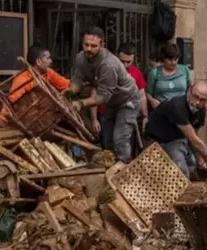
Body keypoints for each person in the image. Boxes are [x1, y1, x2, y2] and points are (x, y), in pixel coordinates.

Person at [63, 26, 141, 164]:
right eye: (86, 44)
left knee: (120, 140)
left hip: (127, 100)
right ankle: (111, 169)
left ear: (102, 45)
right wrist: (69, 91)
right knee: (107, 140)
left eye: (93, 46)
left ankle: (123, 172)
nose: (89, 48)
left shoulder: (108, 64)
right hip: (111, 102)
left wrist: (80, 103)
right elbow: (77, 81)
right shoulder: (81, 58)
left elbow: (102, 97)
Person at [145, 82, 207, 179]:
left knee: (192, 166)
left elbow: (196, 136)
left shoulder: (200, 110)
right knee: (182, 171)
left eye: (202, 99)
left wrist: (200, 161)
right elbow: (193, 138)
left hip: (178, 139)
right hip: (156, 140)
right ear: (189, 91)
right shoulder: (177, 106)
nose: (197, 102)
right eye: (195, 96)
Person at [0, 45, 70, 126]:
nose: (51, 61)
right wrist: (2, 118)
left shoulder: (49, 73)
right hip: (30, 119)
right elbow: (10, 100)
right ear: (38, 62)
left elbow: (66, 84)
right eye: (48, 58)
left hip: (48, 115)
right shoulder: (22, 79)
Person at [93, 43, 148, 135]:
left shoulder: (136, 73)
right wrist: (94, 119)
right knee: (107, 145)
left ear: (133, 59)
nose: (125, 65)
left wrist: (145, 115)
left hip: (127, 115)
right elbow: (94, 93)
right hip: (106, 113)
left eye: (128, 62)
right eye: (122, 61)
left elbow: (142, 95)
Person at [146, 43, 192, 109]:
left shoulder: (184, 70)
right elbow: (148, 93)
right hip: (162, 110)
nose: (173, 62)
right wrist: (152, 100)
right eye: (170, 60)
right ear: (163, 58)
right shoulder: (154, 73)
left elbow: (190, 89)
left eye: (175, 59)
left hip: (181, 109)